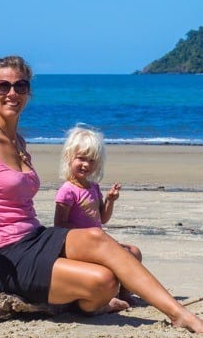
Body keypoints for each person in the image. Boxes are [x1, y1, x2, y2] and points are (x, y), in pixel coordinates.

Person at [0, 55, 203, 333]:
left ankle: (179, 314)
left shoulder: (19, 143)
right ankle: (78, 302)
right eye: (3, 85)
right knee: (103, 281)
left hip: (33, 238)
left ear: (28, 92)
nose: (12, 92)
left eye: (20, 85)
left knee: (97, 238)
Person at [54, 123, 141, 306]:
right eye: (81, 159)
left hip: (98, 242)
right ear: (69, 158)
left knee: (134, 252)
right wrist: (84, 234)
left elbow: (102, 218)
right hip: (79, 245)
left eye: (92, 160)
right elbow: (59, 225)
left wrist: (110, 200)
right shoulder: (67, 191)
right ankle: (108, 297)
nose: (86, 164)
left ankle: (125, 292)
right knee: (108, 265)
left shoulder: (93, 187)